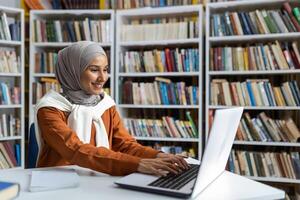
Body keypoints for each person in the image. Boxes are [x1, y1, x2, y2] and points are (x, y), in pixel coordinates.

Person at [34, 41, 189, 176]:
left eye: (106, 69)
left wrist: (156, 156)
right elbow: (75, 150)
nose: (103, 78)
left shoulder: (105, 104)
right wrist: (138, 164)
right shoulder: (50, 108)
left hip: (97, 176)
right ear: (72, 70)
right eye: (94, 70)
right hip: (57, 183)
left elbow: (124, 144)